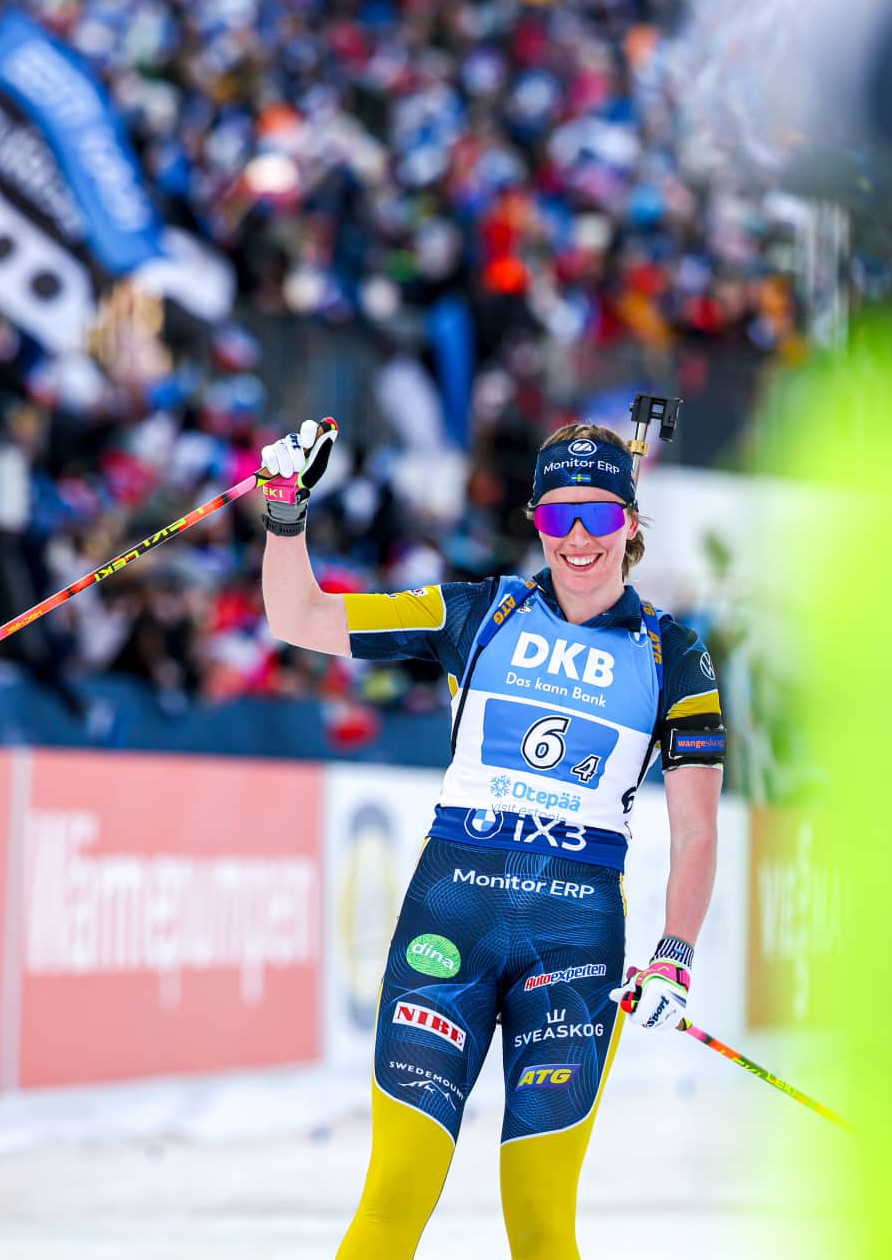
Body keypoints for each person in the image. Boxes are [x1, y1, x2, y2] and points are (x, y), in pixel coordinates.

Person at [260, 417, 727, 1258]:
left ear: (630, 519)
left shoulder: (676, 656)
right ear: (533, 522)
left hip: (575, 943)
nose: (576, 539)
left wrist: (676, 955)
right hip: (451, 923)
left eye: (596, 516)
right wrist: (285, 510)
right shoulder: (477, 612)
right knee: (395, 1196)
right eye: (555, 518)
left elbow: (695, 831)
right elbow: (299, 617)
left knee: (542, 1228)